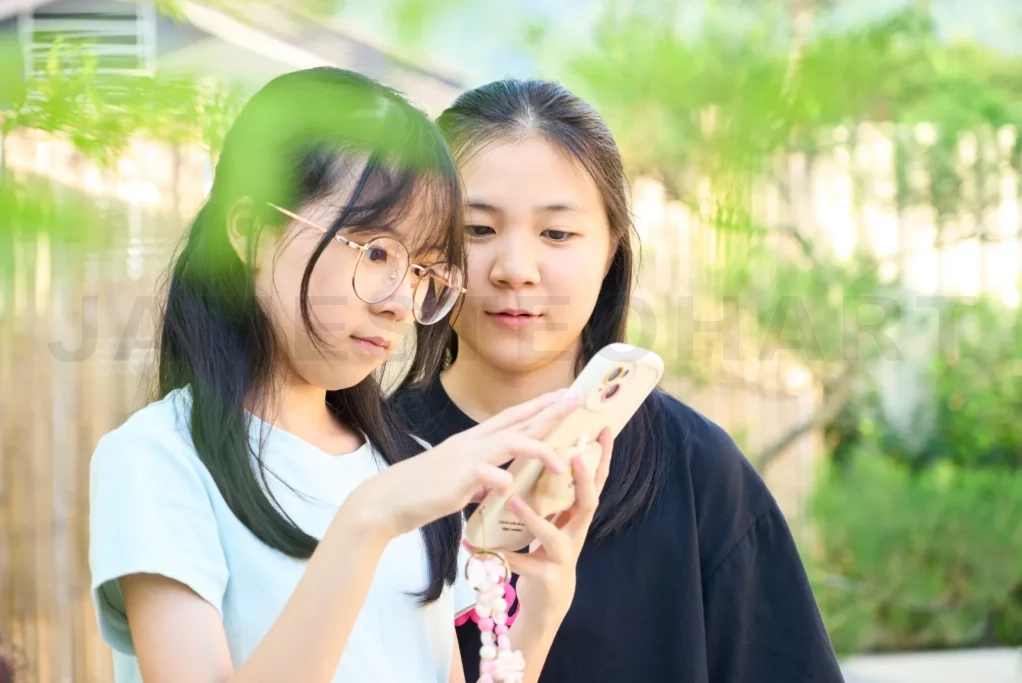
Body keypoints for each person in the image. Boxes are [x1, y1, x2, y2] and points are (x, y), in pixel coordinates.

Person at [88, 67, 609, 683]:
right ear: (250, 231)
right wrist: (369, 519)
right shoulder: (158, 458)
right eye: (377, 251)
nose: (401, 301)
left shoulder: (408, 465)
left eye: (424, 271)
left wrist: (543, 609)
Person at [390, 79, 847, 683]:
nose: (515, 270)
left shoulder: (697, 469)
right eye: (477, 229)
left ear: (611, 250)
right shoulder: (368, 460)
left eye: (557, 234)